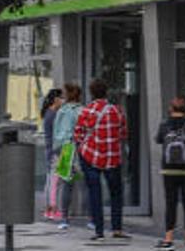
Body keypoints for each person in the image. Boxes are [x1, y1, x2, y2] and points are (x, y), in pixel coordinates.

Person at [74, 80, 129, 241]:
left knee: (94, 193)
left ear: (91, 93)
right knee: (116, 193)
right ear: (106, 93)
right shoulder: (117, 111)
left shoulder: (86, 111)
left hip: (90, 156)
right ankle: (117, 228)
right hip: (112, 157)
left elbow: (78, 134)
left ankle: (99, 231)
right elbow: (123, 134)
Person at [154, 96, 185, 251]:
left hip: (169, 169)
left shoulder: (165, 125)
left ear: (171, 108)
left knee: (170, 203)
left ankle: (168, 239)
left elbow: (159, 140)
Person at [52, 83, 84, 231]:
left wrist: (57, 150)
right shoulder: (82, 110)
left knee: (66, 184)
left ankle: (64, 217)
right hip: (80, 147)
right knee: (85, 183)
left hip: (65, 149)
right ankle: (90, 217)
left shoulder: (62, 111)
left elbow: (57, 132)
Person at [40, 88, 64, 221]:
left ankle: (49, 209)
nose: (63, 101)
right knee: (53, 182)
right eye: (62, 98)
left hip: (50, 151)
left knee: (50, 181)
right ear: (56, 99)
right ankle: (52, 210)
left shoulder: (49, 113)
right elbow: (57, 135)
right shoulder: (53, 114)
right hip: (54, 151)